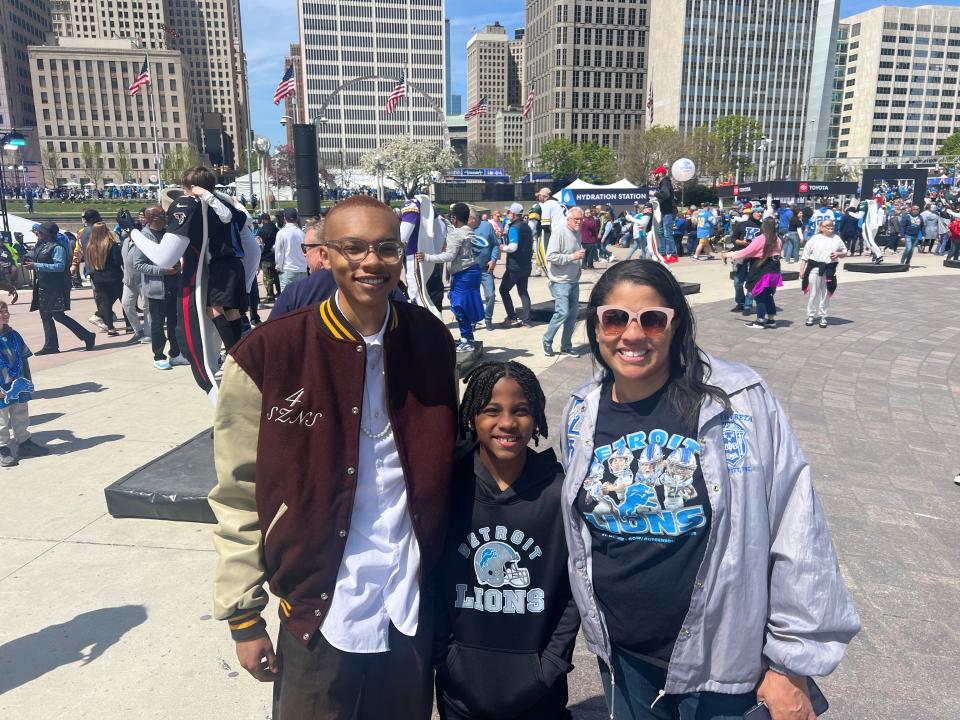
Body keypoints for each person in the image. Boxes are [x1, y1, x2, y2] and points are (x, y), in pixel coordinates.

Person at [560, 259, 860, 720]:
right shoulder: (581, 410)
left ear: (676, 325)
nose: (632, 335)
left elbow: (797, 525)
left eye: (652, 319)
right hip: (624, 654)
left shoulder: (737, 401)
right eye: (615, 318)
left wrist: (791, 664)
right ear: (596, 326)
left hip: (725, 662)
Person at [210, 195, 458, 719]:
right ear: (323, 254)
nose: (371, 262)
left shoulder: (431, 341)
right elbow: (237, 494)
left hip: (407, 604)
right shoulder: (267, 354)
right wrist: (244, 616)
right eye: (353, 247)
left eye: (387, 248)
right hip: (319, 609)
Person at [435, 361, 579, 720]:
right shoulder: (446, 488)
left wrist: (551, 661)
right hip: (460, 689)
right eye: (491, 411)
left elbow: (574, 588)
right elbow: (428, 575)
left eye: (521, 411)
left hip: (538, 692)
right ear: (471, 418)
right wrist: (443, 652)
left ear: (537, 419)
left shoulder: (559, 493)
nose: (507, 423)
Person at [131, 166, 259, 400]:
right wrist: (249, 282)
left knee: (200, 347)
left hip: (212, 272)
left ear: (190, 188)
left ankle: (233, 356)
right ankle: (235, 354)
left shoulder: (194, 205)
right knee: (230, 313)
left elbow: (164, 257)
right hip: (235, 267)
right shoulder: (228, 205)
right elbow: (251, 246)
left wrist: (134, 234)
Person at [416, 202, 483, 352]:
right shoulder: (469, 231)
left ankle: (467, 339)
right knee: (465, 305)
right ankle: (468, 337)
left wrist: (426, 257)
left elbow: (449, 255)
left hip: (463, 275)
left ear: (455, 218)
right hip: (472, 272)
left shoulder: (457, 234)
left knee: (459, 307)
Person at [133, 206, 190, 370]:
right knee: (158, 324)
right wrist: (164, 271)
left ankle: (176, 353)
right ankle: (158, 355)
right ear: (152, 218)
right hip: (156, 289)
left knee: (174, 322)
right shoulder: (144, 237)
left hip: (174, 285)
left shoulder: (168, 233)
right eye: (163, 214)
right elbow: (138, 264)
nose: (166, 216)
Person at [24, 222, 95, 355]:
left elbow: (60, 266)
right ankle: (51, 345)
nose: (38, 234)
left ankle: (87, 336)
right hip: (44, 286)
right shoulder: (41, 245)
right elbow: (35, 256)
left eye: (40, 232)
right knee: (45, 315)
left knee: (58, 315)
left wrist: (37, 265)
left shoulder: (57, 248)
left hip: (56, 287)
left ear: (48, 234)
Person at [0, 300, 49, 466]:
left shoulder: (14, 335)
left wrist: (27, 380)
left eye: (6, 311)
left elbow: (23, 358)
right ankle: (3, 448)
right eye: (1, 312)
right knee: (1, 419)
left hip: (17, 384)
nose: (5, 315)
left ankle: (24, 442)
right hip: (2, 387)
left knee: (20, 413)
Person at [722, 218, 782, 329]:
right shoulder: (777, 239)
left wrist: (729, 254)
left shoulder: (761, 238)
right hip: (774, 269)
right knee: (768, 295)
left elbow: (747, 251)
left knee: (760, 296)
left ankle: (760, 321)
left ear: (763, 226)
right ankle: (771, 319)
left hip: (762, 269)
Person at [543, 206, 585, 357]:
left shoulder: (578, 234)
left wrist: (578, 266)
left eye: (581, 219)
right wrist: (572, 257)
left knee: (573, 315)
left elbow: (576, 253)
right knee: (563, 312)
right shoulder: (559, 232)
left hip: (573, 280)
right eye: (576, 219)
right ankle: (547, 340)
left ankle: (566, 346)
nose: (579, 222)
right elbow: (551, 257)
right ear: (568, 219)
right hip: (560, 281)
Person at [800, 219, 848, 328]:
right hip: (814, 268)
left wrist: (839, 254)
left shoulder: (837, 238)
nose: (830, 229)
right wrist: (802, 269)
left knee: (826, 293)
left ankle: (823, 316)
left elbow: (845, 252)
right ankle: (811, 314)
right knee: (813, 293)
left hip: (829, 269)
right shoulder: (815, 238)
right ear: (822, 228)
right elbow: (805, 255)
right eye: (828, 227)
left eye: (832, 227)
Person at [85, 222, 129, 337]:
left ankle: (110, 328)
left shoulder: (90, 246)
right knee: (124, 301)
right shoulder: (111, 244)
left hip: (98, 276)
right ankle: (129, 325)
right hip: (114, 276)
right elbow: (118, 261)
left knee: (106, 303)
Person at [499, 203, 533, 328]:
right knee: (523, 292)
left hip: (514, 267)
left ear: (513, 214)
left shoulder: (514, 228)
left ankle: (512, 317)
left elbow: (513, 247)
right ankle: (527, 320)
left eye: (508, 212)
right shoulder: (527, 227)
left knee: (503, 290)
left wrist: (503, 247)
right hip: (526, 266)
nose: (506, 214)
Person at [729, 206, 763, 315]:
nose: (760, 214)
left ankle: (748, 305)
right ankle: (740, 302)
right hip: (741, 254)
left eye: (761, 212)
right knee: (738, 282)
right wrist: (742, 243)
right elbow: (733, 238)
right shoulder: (742, 224)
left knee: (752, 282)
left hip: (756, 257)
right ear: (752, 212)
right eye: (758, 212)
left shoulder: (763, 226)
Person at [473, 211, 500, 331]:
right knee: (473, 297)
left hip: (485, 269)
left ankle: (488, 318)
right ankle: (473, 320)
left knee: (491, 295)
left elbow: (495, 244)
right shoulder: (463, 228)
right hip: (470, 269)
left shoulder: (487, 226)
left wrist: (493, 259)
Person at [274, 208, 308, 291]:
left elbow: (279, 253)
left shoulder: (281, 233)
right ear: (297, 218)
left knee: (287, 301)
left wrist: (279, 267)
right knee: (301, 300)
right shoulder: (302, 233)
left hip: (288, 270)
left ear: (285, 218)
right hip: (302, 270)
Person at [651, 166, 677, 262]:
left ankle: (673, 255)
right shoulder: (663, 183)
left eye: (655, 173)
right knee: (661, 232)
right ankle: (662, 253)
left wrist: (655, 194)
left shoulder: (665, 182)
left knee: (667, 233)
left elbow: (666, 195)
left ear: (660, 173)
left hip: (669, 211)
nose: (654, 175)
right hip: (665, 211)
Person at [256, 212, 281, 303]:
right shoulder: (276, 229)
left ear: (263, 220)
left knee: (267, 277)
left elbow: (259, 244)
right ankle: (279, 292)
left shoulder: (261, 231)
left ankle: (270, 295)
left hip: (266, 257)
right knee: (277, 276)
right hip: (276, 256)